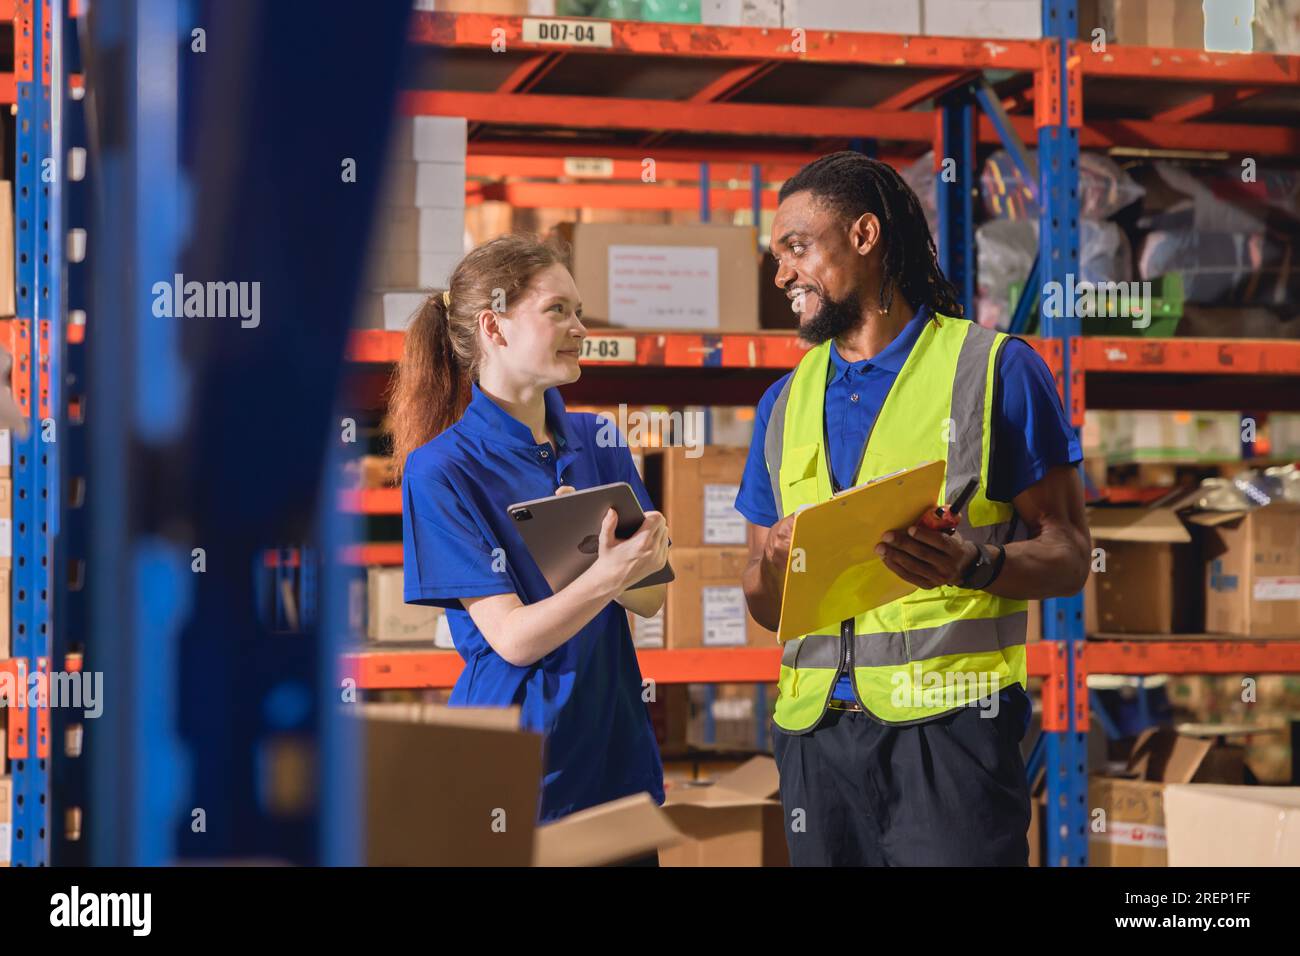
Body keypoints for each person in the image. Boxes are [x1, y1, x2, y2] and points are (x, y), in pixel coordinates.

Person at [738, 152, 1091, 866]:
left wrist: (976, 563)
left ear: (865, 237)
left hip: (950, 736)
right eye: (776, 256)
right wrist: (772, 563)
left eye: (797, 248)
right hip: (815, 740)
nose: (782, 275)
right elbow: (763, 602)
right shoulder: (782, 404)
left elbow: (1071, 554)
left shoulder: (993, 369)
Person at [390, 234, 669, 827]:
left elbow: (651, 600)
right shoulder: (443, 468)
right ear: (495, 328)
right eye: (557, 310)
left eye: (579, 312)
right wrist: (607, 569)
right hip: (517, 764)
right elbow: (513, 639)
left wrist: (639, 558)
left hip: (614, 757)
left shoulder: (599, 440)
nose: (579, 328)